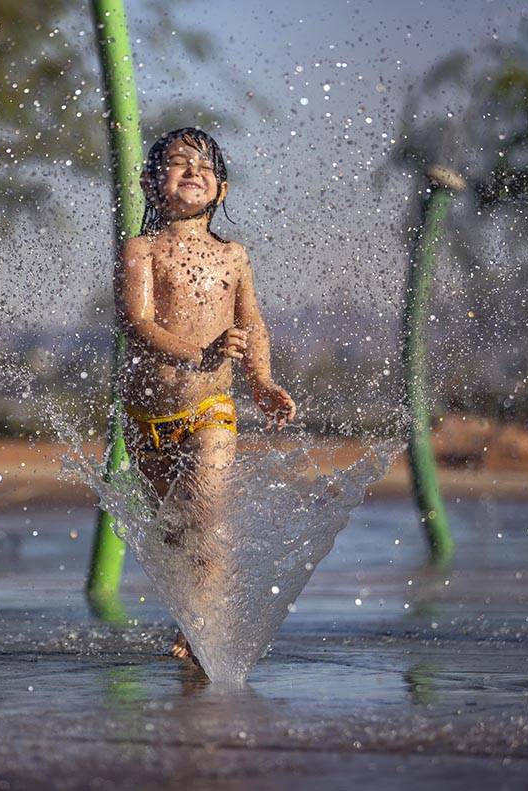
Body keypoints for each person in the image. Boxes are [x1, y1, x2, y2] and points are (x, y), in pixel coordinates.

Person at [114, 128, 296, 660]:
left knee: (205, 518)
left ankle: (202, 633)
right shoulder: (142, 249)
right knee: (174, 534)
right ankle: (190, 617)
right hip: (146, 417)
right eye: (177, 163)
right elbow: (136, 320)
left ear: (222, 191)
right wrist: (196, 353)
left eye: (204, 166)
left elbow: (253, 323)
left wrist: (260, 381)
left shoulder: (234, 257)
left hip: (210, 409)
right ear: (151, 185)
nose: (193, 171)